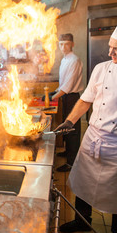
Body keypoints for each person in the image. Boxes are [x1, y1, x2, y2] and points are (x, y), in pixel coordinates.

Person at [56, 3, 117, 233]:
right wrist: (70, 121)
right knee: (83, 185)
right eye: (110, 47)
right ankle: (82, 221)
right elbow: (85, 100)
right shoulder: (101, 68)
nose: (110, 53)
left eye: (116, 49)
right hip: (92, 137)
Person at [51, 33, 84, 172]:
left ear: (72, 44)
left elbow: (68, 86)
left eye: (66, 44)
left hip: (72, 98)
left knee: (72, 129)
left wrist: (52, 97)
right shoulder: (65, 60)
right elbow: (62, 83)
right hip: (65, 96)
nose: (63, 47)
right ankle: (67, 151)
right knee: (66, 126)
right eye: (61, 44)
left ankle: (72, 162)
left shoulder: (74, 60)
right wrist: (54, 92)